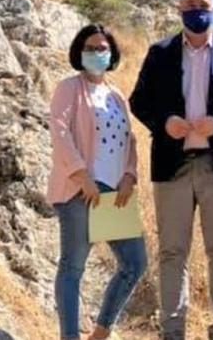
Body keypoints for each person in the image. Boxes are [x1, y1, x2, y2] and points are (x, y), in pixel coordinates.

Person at [129, 0, 213, 340]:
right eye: (188, 3)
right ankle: (172, 332)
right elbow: (139, 100)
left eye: (202, 4)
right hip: (174, 165)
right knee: (172, 252)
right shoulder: (160, 54)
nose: (195, 9)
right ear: (178, 9)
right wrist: (164, 121)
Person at [48, 24, 147, 340]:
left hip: (115, 192)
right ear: (79, 53)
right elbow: (59, 132)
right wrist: (81, 176)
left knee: (134, 263)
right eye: (89, 48)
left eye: (102, 48)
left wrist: (130, 175)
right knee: (73, 267)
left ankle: (101, 332)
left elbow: (130, 140)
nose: (96, 53)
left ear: (112, 54)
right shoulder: (69, 88)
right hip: (81, 191)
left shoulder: (116, 94)